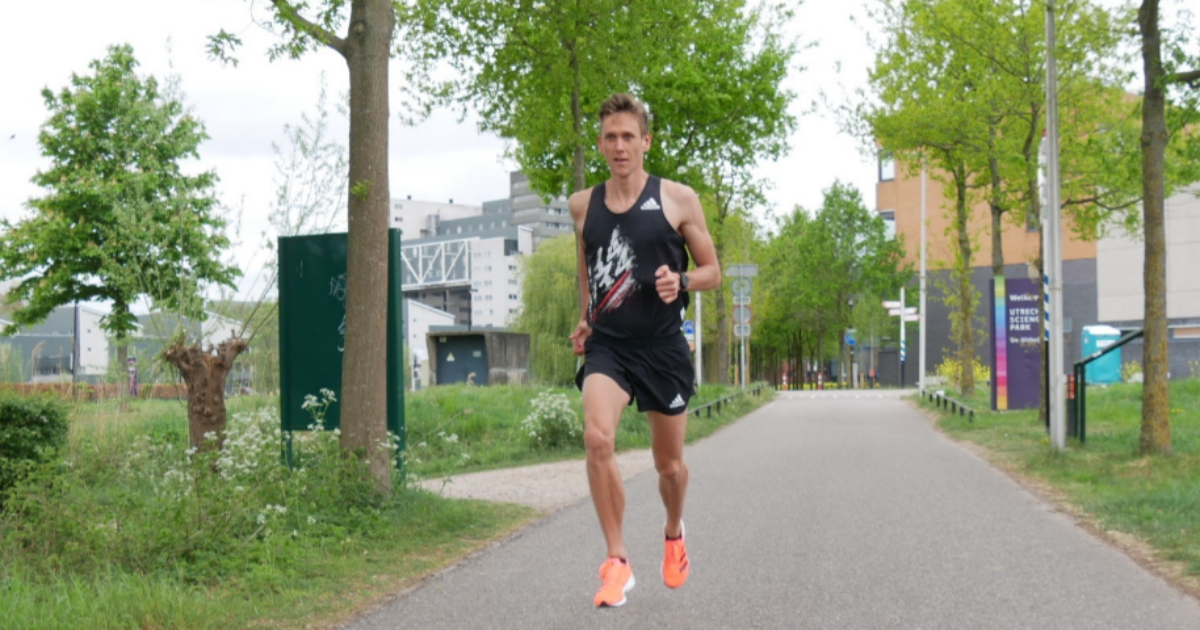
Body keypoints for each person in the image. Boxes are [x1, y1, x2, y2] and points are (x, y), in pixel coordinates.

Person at [568, 93, 720, 608]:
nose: (619, 146)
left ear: (646, 142)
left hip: (662, 348)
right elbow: (587, 268)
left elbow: (712, 272)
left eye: (628, 136)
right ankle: (617, 560)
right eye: (610, 137)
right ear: (601, 143)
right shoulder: (581, 205)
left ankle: (674, 533)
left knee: (669, 467)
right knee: (597, 438)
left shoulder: (678, 199)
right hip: (610, 347)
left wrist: (682, 280)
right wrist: (586, 317)